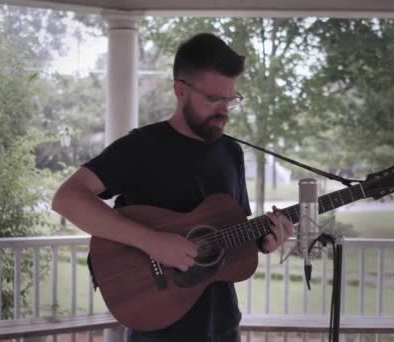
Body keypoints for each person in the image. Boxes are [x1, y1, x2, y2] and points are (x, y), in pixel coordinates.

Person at [51, 32, 294, 342]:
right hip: (157, 327)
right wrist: (153, 242)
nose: (224, 110)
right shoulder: (141, 147)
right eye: (213, 99)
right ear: (181, 90)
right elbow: (67, 198)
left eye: (230, 99)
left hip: (221, 326)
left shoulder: (231, 153)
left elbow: (226, 233)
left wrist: (263, 241)